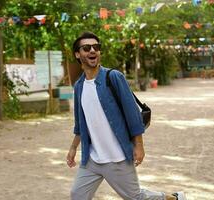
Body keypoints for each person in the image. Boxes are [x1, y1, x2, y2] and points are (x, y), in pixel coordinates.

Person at [66, 31, 187, 200]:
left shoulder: (113, 77)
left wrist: (139, 145)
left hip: (117, 157)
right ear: (78, 54)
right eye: (87, 48)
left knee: (135, 197)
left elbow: (132, 114)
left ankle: (174, 198)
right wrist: (73, 148)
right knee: (77, 195)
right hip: (92, 159)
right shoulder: (79, 86)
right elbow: (80, 124)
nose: (93, 50)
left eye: (96, 47)